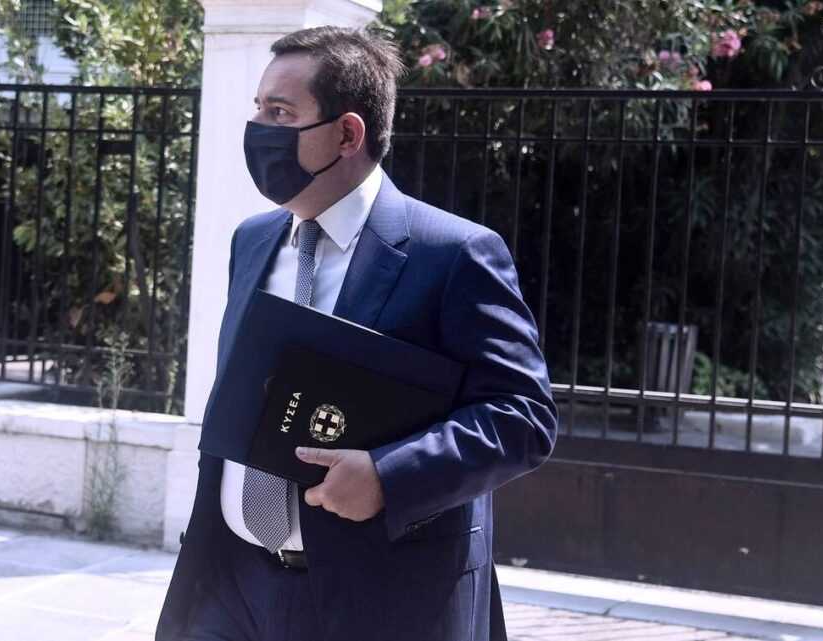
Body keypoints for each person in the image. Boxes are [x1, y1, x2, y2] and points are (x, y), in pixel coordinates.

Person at [155, 25, 558, 641]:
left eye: (280, 113)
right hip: (230, 587)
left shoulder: (454, 254)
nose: (257, 128)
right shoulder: (253, 240)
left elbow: (523, 416)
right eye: (258, 108)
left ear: (347, 134)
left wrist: (389, 476)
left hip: (379, 601)